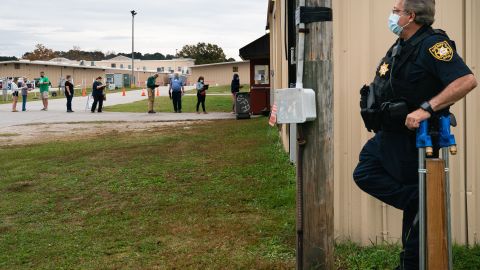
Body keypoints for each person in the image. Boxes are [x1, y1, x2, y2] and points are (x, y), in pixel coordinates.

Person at [352, 0, 477, 269]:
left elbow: (466, 81)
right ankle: (419, 200)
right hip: (389, 134)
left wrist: (426, 109)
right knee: (365, 172)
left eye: (396, 11)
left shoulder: (433, 45)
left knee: (414, 213)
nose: (392, 15)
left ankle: (410, 264)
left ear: (411, 16)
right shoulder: (400, 46)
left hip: (415, 139)